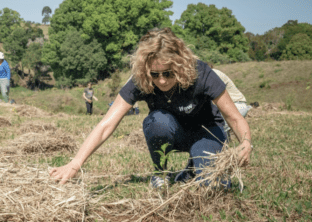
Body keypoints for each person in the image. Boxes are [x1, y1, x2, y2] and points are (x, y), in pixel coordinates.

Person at [50, 28, 252, 188]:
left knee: (213, 185)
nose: (162, 81)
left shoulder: (201, 73)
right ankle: (160, 173)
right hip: (172, 131)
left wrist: (245, 143)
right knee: (157, 122)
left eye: (168, 73)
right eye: (155, 74)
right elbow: (106, 125)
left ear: (180, 64)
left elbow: (234, 117)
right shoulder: (141, 79)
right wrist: (75, 163)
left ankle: (193, 167)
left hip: (207, 132)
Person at [207, 63, 252, 137]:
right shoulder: (212, 73)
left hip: (237, 106)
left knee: (215, 126)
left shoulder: (212, 74)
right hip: (235, 105)